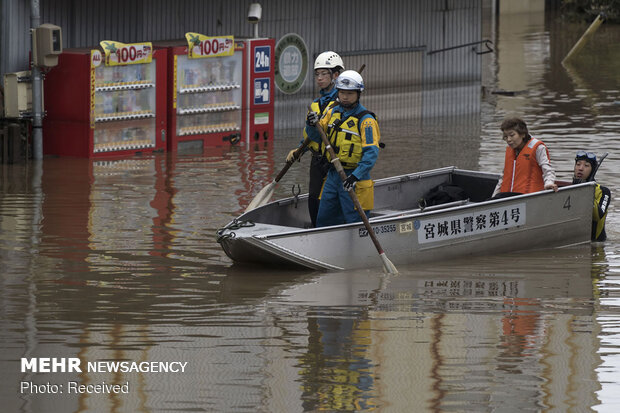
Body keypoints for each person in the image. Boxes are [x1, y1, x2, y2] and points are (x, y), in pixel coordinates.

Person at [304, 70, 381, 227]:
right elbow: (316, 137)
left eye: (350, 93)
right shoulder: (332, 112)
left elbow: (371, 154)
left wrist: (355, 176)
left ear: (358, 94)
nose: (345, 97)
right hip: (333, 175)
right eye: (342, 92)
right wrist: (311, 124)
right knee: (324, 219)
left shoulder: (366, 120)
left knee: (355, 222)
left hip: (354, 179)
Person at [286, 51, 344, 227]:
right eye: (317, 74)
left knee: (330, 199)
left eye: (324, 74)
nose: (319, 78)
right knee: (313, 199)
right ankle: (316, 230)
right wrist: (299, 149)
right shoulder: (315, 105)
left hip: (335, 159)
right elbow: (309, 135)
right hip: (318, 160)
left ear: (335, 75)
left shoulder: (343, 101)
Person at [492, 117, 558, 198]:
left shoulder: (538, 148)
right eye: (505, 136)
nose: (508, 140)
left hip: (528, 197)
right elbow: (503, 178)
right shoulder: (510, 150)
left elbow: (548, 170)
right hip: (507, 199)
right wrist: (493, 197)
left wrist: (549, 183)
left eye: (512, 135)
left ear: (522, 134)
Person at [572, 150, 611, 241]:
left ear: (592, 170)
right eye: (578, 164)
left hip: (596, 244)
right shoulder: (566, 190)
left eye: (586, 165)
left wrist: (587, 191)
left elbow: (597, 216)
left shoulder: (604, 191)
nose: (581, 168)